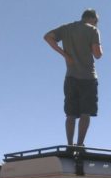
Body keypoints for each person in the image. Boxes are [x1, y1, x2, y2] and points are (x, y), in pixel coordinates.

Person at [44, 9, 103, 146]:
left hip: (71, 76)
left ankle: (70, 145)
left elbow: (47, 37)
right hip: (88, 77)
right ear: (92, 19)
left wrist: (65, 55)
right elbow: (98, 55)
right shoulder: (93, 30)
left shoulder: (67, 28)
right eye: (96, 21)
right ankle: (80, 144)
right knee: (85, 113)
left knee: (70, 115)